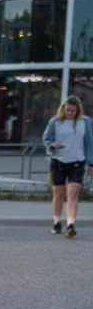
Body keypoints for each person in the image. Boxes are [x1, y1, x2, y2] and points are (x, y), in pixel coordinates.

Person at [43, 96, 93, 238]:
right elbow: (46, 138)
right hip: (58, 161)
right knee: (58, 194)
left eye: (73, 111)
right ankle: (57, 222)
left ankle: (71, 224)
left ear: (78, 111)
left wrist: (91, 163)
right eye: (68, 110)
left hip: (77, 161)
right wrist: (52, 144)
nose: (70, 113)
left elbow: (90, 142)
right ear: (63, 109)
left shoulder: (85, 122)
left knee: (73, 193)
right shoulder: (55, 121)